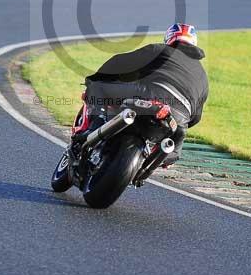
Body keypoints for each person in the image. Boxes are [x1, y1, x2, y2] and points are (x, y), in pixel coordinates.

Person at [82, 23, 209, 167]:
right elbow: (196, 117)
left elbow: (120, 62)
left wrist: (97, 77)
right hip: (181, 118)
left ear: (169, 38)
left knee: (97, 87)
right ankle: (149, 166)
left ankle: (94, 127)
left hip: (151, 95)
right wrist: (181, 120)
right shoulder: (203, 77)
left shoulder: (160, 50)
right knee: (172, 154)